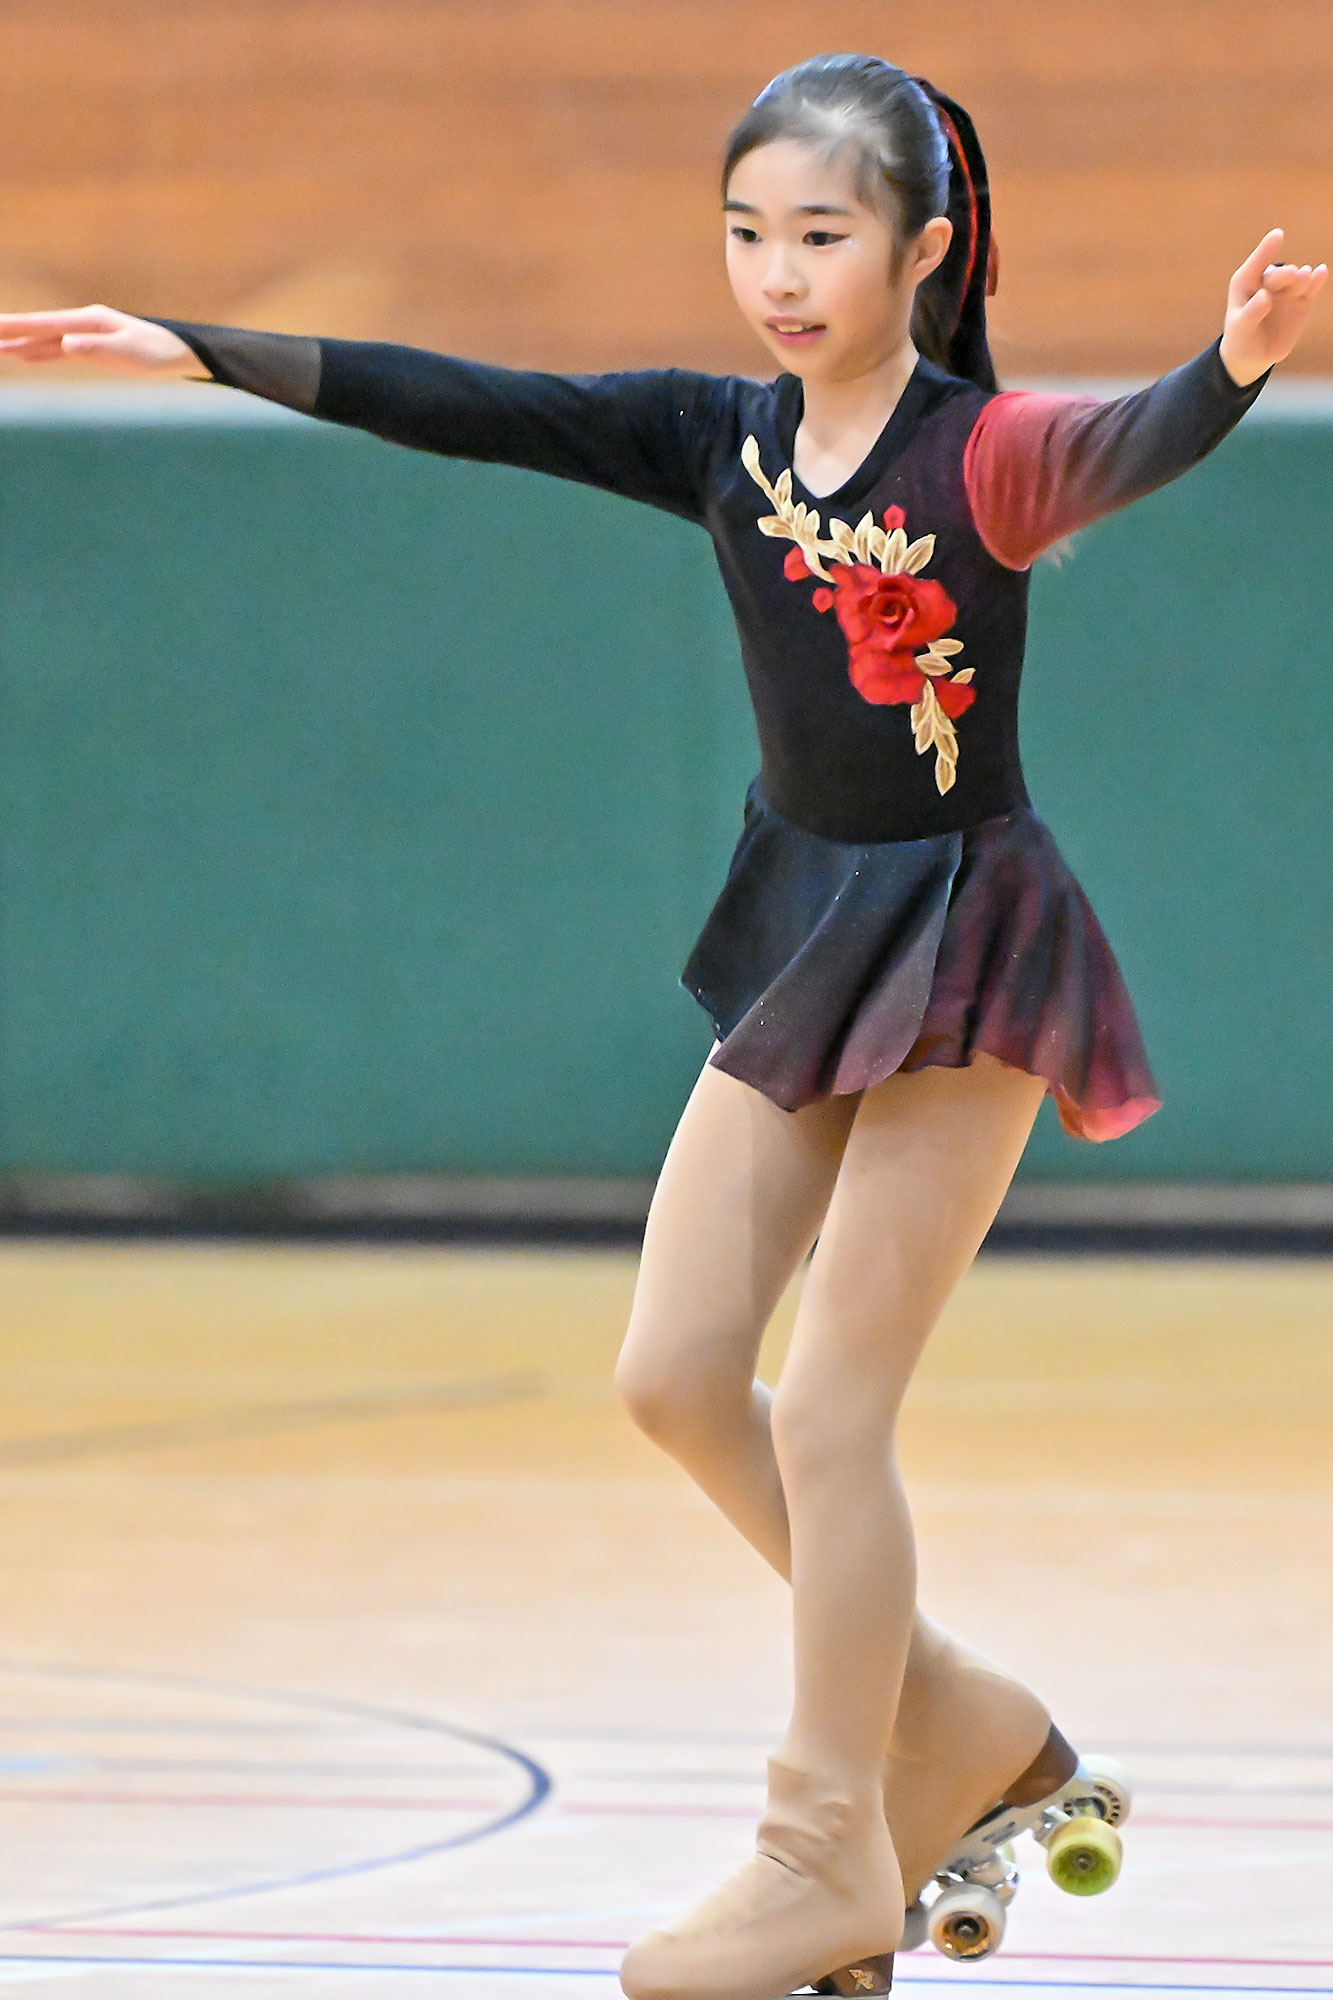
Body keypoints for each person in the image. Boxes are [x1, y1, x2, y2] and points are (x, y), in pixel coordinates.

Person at [1, 51, 1322, 2000]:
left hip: (964, 955)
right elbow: (478, 401)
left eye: (821, 236)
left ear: (923, 251)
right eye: (745, 234)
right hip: (807, 928)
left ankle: (822, 1846)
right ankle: (962, 1722)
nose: (777, 274)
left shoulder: (978, 456)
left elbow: (1116, 441)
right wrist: (198, 348)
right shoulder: (721, 439)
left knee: (839, 1409)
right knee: (678, 1374)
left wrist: (1226, 369)